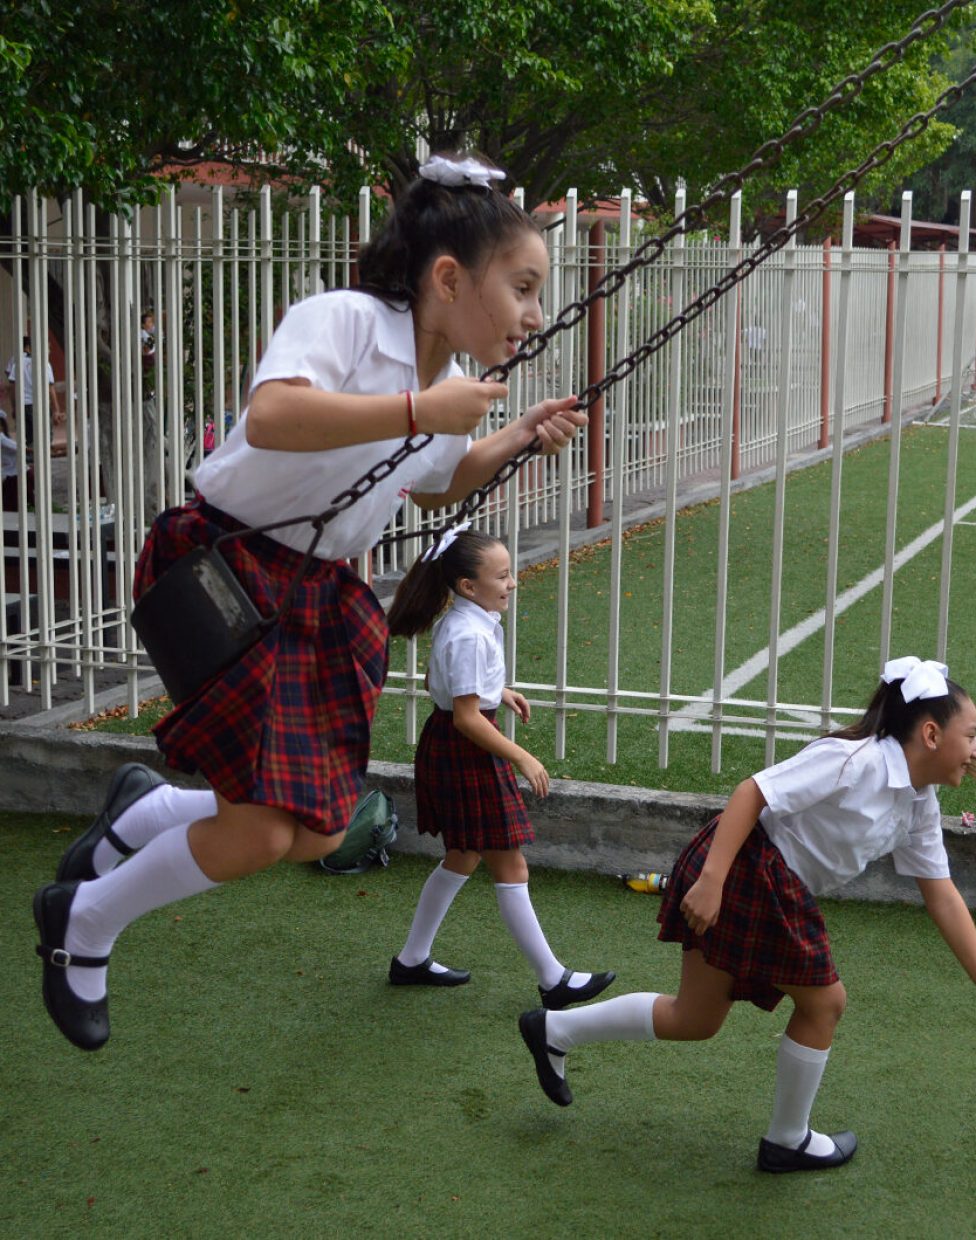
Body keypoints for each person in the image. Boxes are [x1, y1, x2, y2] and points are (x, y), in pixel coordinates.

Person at [33, 151, 587, 1052]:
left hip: (319, 596)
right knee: (257, 831)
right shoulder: (350, 324)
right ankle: (81, 924)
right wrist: (420, 409)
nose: (534, 314)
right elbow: (274, 418)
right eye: (522, 287)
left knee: (322, 833)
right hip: (226, 568)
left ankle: (141, 812)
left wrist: (515, 431)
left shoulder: (439, 377)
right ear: (448, 277)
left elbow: (438, 483)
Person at [518, 657, 976, 1172]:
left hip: (770, 884)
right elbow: (752, 792)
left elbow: (942, 895)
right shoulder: (855, 761)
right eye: (973, 735)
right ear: (933, 734)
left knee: (694, 1018)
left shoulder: (920, 803)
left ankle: (553, 1030)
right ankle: (788, 1140)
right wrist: (712, 880)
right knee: (825, 1002)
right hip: (748, 869)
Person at [385, 525, 615, 1006]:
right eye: (503, 576)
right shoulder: (469, 632)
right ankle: (554, 980)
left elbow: (441, 685)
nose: (513, 583)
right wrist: (523, 756)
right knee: (509, 862)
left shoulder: (467, 620)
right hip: (465, 750)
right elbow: (468, 718)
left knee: (463, 855)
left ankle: (410, 961)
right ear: (469, 586)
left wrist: (499, 693)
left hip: (451, 745)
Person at [4, 336, 61, 452]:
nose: (48, 351)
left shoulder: (17, 362)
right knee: (45, 438)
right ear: (30, 348)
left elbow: (12, 388)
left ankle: (32, 464)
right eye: (47, 348)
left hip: (24, 406)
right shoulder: (44, 363)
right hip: (41, 405)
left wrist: (15, 407)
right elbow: (50, 388)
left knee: (29, 438)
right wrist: (56, 410)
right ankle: (41, 462)